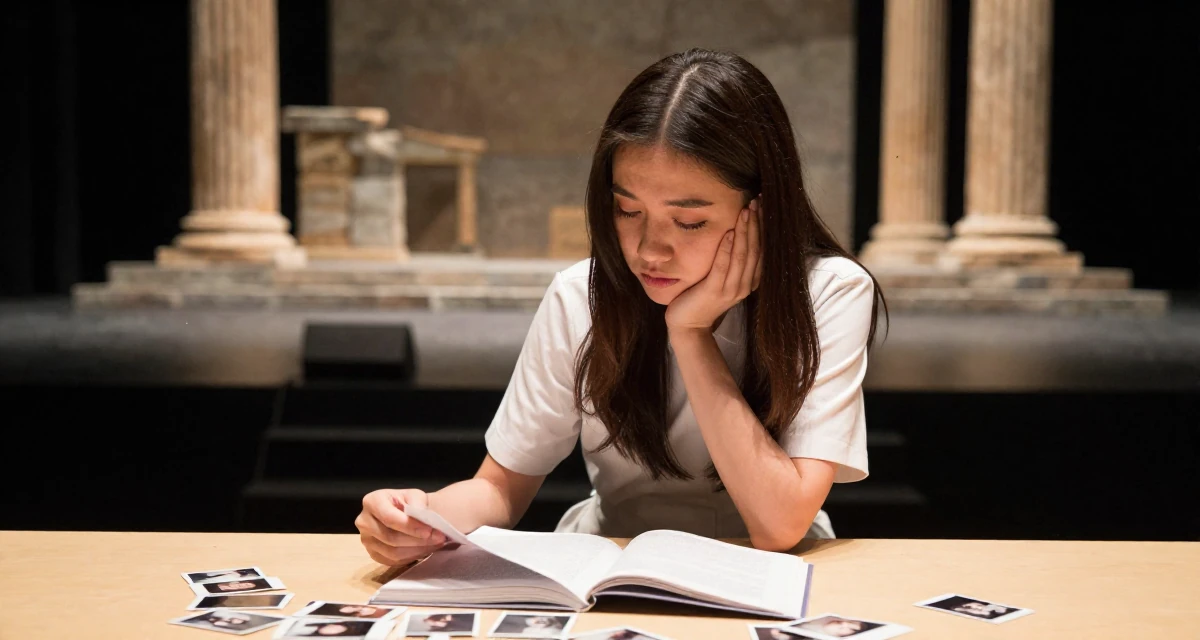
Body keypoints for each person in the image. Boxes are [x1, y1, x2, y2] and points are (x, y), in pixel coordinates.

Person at [356, 48, 884, 565]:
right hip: (612, 563)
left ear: (763, 211)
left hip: (773, 571)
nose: (650, 249)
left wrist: (690, 332)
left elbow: (779, 524)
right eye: (628, 210)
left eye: (689, 221)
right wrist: (420, 516)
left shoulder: (828, 293)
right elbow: (501, 487)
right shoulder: (579, 296)